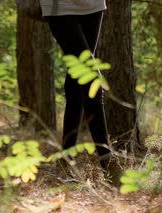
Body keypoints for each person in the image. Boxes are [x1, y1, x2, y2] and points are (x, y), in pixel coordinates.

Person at [42, 0, 121, 183]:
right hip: (59, 7)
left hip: (92, 5)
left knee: (77, 79)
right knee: (90, 77)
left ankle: (66, 160)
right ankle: (108, 163)